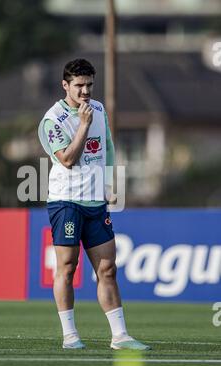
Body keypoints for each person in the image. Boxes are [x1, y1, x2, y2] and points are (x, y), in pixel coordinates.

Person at [38, 58, 150, 351]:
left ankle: (120, 336)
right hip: (66, 202)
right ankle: (70, 335)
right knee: (67, 266)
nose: (85, 91)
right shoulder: (52, 120)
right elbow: (68, 159)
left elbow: (108, 145)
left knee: (108, 268)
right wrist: (83, 126)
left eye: (89, 85)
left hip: (95, 203)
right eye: (79, 86)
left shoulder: (98, 109)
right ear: (65, 85)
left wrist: (109, 183)